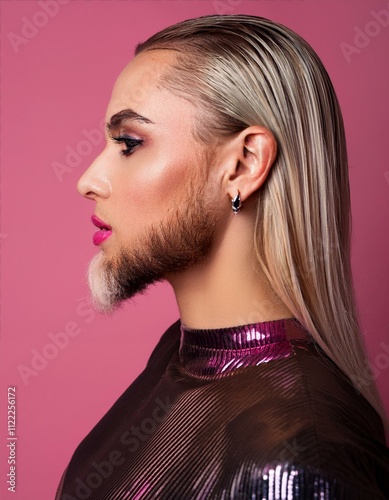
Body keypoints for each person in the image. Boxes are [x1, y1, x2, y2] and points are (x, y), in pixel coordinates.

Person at [55, 14, 389, 500]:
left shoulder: (301, 461)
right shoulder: (179, 354)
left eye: (129, 144)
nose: (88, 180)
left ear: (244, 164)